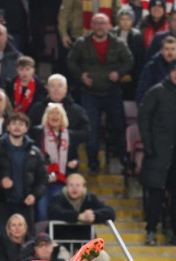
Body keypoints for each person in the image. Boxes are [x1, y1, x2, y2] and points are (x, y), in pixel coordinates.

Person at [67, 13, 133, 173]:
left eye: (103, 23)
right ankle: (93, 164)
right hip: (90, 94)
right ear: (91, 25)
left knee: (119, 128)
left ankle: (124, 160)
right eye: (96, 23)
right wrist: (80, 75)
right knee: (92, 130)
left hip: (112, 92)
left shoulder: (117, 43)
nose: (100, 26)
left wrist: (119, 72)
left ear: (109, 25)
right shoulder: (82, 43)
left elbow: (129, 61)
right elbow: (70, 61)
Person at [48, 173, 114, 261]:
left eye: (78, 185)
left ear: (84, 187)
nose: (74, 188)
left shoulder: (90, 198)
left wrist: (94, 215)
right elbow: (53, 211)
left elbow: (110, 212)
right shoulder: (58, 197)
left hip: (85, 245)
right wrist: (78, 216)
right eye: (71, 185)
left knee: (103, 257)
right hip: (64, 244)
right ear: (66, 187)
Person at [0, 113, 47, 236]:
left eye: (21, 124)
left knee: (27, 243)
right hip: (0, 204)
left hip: (25, 205)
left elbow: (43, 179)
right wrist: (0, 182)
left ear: (26, 128)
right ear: (7, 127)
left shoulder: (36, 152)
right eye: (13, 124)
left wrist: (34, 195)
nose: (17, 127)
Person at [139, 60, 176, 246]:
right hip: (157, 154)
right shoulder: (156, 91)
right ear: (170, 72)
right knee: (155, 195)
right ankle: (151, 230)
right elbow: (143, 119)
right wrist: (149, 145)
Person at [31, 103, 80, 222]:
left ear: (63, 117)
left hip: (61, 181)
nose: (54, 116)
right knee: (42, 212)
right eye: (51, 113)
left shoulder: (69, 135)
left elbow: (74, 156)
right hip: (42, 180)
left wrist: (74, 162)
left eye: (57, 113)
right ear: (46, 116)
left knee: (57, 212)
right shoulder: (37, 132)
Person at [136, 35, 176, 106]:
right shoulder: (151, 67)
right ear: (161, 51)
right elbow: (143, 92)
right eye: (167, 49)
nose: (170, 52)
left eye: (173, 49)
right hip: (158, 110)